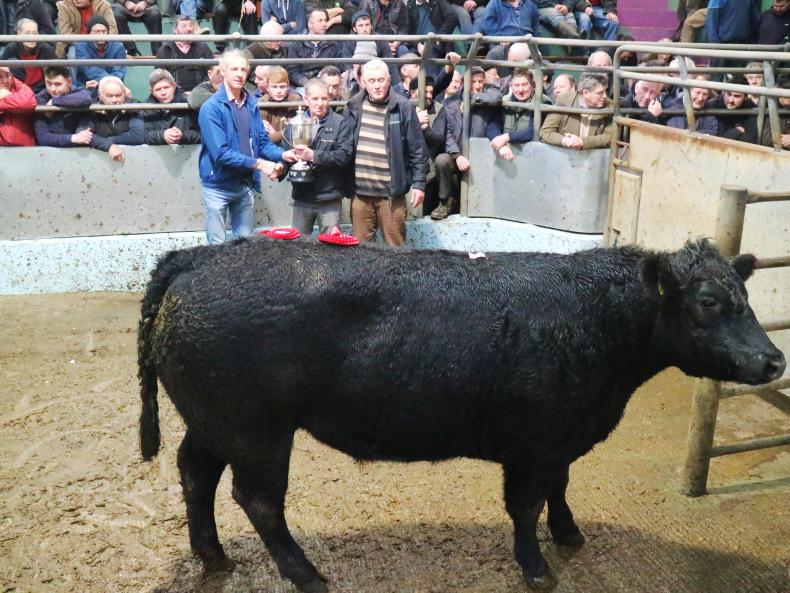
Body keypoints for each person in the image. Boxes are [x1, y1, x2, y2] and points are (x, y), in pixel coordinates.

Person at [198, 49, 296, 245]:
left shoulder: (251, 103)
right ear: (223, 71)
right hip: (218, 186)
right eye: (234, 69)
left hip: (244, 184)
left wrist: (283, 155)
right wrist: (260, 165)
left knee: (244, 247)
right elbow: (221, 154)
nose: (239, 74)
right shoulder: (211, 108)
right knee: (216, 246)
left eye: (243, 69)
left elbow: (262, 143)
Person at [344, 59, 428, 246]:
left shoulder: (403, 107)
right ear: (363, 83)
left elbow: (418, 150)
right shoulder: (352, 107)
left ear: (389, 81)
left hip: (391, 196)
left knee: (396, 250)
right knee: (361, 253)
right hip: (360, 195)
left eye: (381, 80)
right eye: (371, 81)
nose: (377, 86)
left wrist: (419, 184)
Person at [284, 78, 354, 236]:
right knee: (299, 248)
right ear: (306, 99)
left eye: (324, 98)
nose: (320, 103)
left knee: (331, 248)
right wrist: (280, 167)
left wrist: (313, 155)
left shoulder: (340, 123)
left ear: (329, 98)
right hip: (301, 196)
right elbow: (287, 155)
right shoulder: (295, 124)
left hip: (329, 197)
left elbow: (344, 156)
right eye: (315, 99)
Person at [76, 75, 143, 160]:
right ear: (100, 96)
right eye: (109, 96)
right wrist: (109, 146)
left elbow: (137, 135)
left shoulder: (134, 105)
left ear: (124, 94)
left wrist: (108, 141)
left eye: (118, 95)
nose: (114, 100)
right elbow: (82, 135)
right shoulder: (91, 108)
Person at [539, 72, 612, 149]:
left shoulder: (609, 105)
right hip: (565, 156)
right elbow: (546, 132)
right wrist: (565, 140)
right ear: (585, 93)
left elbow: (610, 137)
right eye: (600, 93)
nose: (604, 96)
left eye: (605, 91)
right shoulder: (564, 101)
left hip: (594, 157)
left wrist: (582, 142)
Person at [491, 68, 546, 161]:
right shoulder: (505, 101)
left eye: (524, 85)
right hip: (506, 157)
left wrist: (506, 137)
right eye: (516, 85)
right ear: (510, 86)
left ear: (533, 85)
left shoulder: (542, 102)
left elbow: (533, 131)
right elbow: (492, 125)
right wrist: (501, 146)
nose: (520, 90)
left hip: (533, 159)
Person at [34, 65, 94, 146]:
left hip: (78, 148)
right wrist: (72, 138)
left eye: (57, 84)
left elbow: (86, 98)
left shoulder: (77, 92)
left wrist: (55, 101)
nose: (53, 89)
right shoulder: (41, 99)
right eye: (48, 83)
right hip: (51, 151)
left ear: (69, 82)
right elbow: (43, 138)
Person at [155, 15, 214, 92]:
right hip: (174, 93)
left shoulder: (203, 47)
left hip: (200, 92)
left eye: (191, 25)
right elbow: (160, 76)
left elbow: (212, 71)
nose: (189, 29)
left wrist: (202, 89)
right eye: (184, 26)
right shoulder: (165, 49)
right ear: (175, 30)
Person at [285, 9, 341, 89]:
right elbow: (292, 72)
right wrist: (310, 84)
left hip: (327, 85)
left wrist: (323, 83)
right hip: (303, 86)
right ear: (310, 24)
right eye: (320, 21)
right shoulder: (296, 43)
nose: (325, 24)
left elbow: (336, 69)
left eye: (325, 20)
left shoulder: (333, 44)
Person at [143, 69, 200, 145]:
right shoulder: (146, 107)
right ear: (152, 92)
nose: (163, 93)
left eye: (166, 87)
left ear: (174, 86)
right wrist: (162, 135)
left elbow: (201, 134)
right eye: (158, 89)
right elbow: (144, 136)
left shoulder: (189, 103)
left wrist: (183, 135)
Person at [0, 18, 56, 93]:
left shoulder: (46, 49)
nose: (31, 37)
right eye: (27, 33)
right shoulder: (11, 49)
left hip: (42, 91)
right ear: (19, 34)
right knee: (11, 61)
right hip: (17, 91)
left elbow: (57, 74)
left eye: (34, 33)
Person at [74, 15, 127, 89]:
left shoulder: (118, 46)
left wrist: (105, 82)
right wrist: (107, 80)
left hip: (113, 86)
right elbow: (88, 69)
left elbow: (119, 71)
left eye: (104, 31)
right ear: (89, 33)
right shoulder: (81, 46)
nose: (101, 35)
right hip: (88, 85)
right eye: (97, 32)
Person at [707, 74, 757, 142]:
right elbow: (711, 140)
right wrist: (736, 131)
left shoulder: (751, 109)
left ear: (745, 97)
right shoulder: (713, 106)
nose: (731, 100)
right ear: (724, 92)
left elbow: (749, 139)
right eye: (729, 94)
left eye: (736, 96)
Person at [259, 66, 302, 143]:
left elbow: (298, 134)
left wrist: (275, 134)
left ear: (288, 85)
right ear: (267, 87)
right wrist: (289, 130)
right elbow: (265, 138)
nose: (278, 91)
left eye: (282, 87)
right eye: (274, 87)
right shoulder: (262, 102)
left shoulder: (296, 100)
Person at [0, 65, 36, 146]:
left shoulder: (18, 87)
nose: (5, 81)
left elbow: (28, 102)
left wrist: (2, 102)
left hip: (23, 150)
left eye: (8, 75)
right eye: (0, 77)